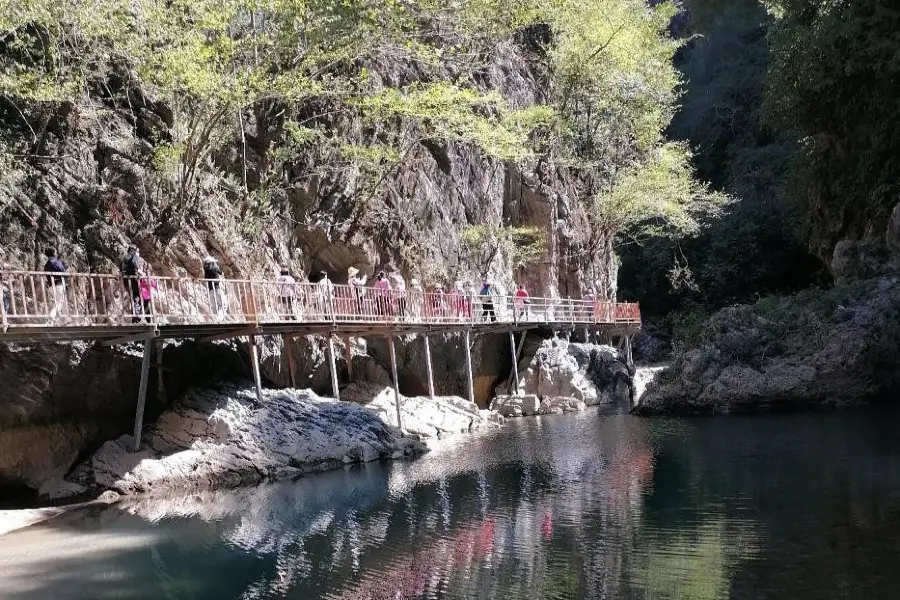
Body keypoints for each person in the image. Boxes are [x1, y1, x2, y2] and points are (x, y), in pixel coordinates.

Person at [43, 248, 68, 323]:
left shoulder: (47, 264)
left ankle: (57, 320)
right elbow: (62, 271)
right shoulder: (56, 262)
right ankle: (51, 317)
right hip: (58, 285)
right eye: (55, 252)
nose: (56, 253)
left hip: (51, 285)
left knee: (56, 303)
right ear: (53, 253)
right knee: (59, 302)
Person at [120, 245, 144, 323]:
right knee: (136, 297)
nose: (138, 253)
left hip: (126, 280)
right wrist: (143, 274)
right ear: (134, 251)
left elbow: (121, 270)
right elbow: (136, 266)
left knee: (133, 297)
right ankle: (137, 317)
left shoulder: (124, 258)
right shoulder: (133, 256)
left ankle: (135, 316)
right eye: (138, 251)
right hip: (133, 280)